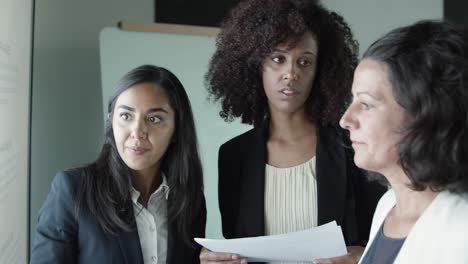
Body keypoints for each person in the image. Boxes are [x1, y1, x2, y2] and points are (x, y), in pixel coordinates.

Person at [201, 0, 385, 263]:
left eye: (304, 62)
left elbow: (382, 237)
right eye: (278, 59)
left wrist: (363, 255)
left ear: (320, 71)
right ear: (256, 66)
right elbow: (237, 244)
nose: (290, 73)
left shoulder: (352, 146)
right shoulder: (233, 156)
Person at [30, 65, 206, 264]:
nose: (137, 132)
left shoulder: (190, 199)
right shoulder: (73, 190)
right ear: (111, 121)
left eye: (154, 119)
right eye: (126, 116)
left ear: (176, 130)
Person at [340, 20, 468, 264]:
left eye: (365, 104)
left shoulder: (462, 227)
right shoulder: (387, 205)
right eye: (352, 100)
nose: (345, 120)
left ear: (425, 113)